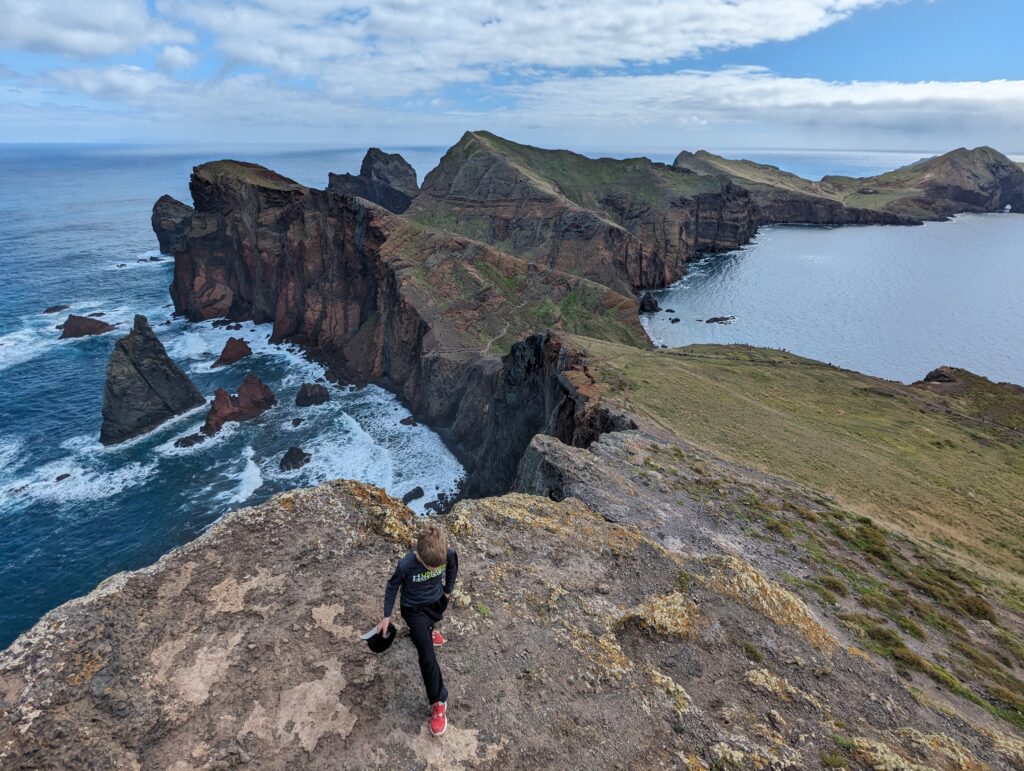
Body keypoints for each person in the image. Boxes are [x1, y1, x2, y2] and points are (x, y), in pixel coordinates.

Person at [375, 521, 459, 736]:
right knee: (427, 656)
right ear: (416, 553)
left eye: (436, 567)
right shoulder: (406, 565)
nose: (433, 570)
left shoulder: (446, 553)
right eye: (428, 567)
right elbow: (392, 585)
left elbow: (452, 565)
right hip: (413, 610)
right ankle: (439, 701)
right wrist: (386, 616)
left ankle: (427, 631)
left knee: (429, 626)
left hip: (436, 602)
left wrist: (447, 591)